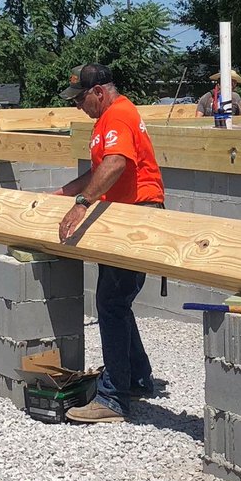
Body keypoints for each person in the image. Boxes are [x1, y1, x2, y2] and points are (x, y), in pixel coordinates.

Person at [54, 64, 166, 424]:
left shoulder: (118, 115)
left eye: (80, 99)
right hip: (122, 214)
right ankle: (136, 378)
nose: (77, 107)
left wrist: (82, 204)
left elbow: (117, 163)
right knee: (116, 302)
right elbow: (100, 170)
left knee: (111, 304)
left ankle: (114, 398)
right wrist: (64, 194)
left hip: (135, 215)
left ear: (99, 92)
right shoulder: (109, 119)